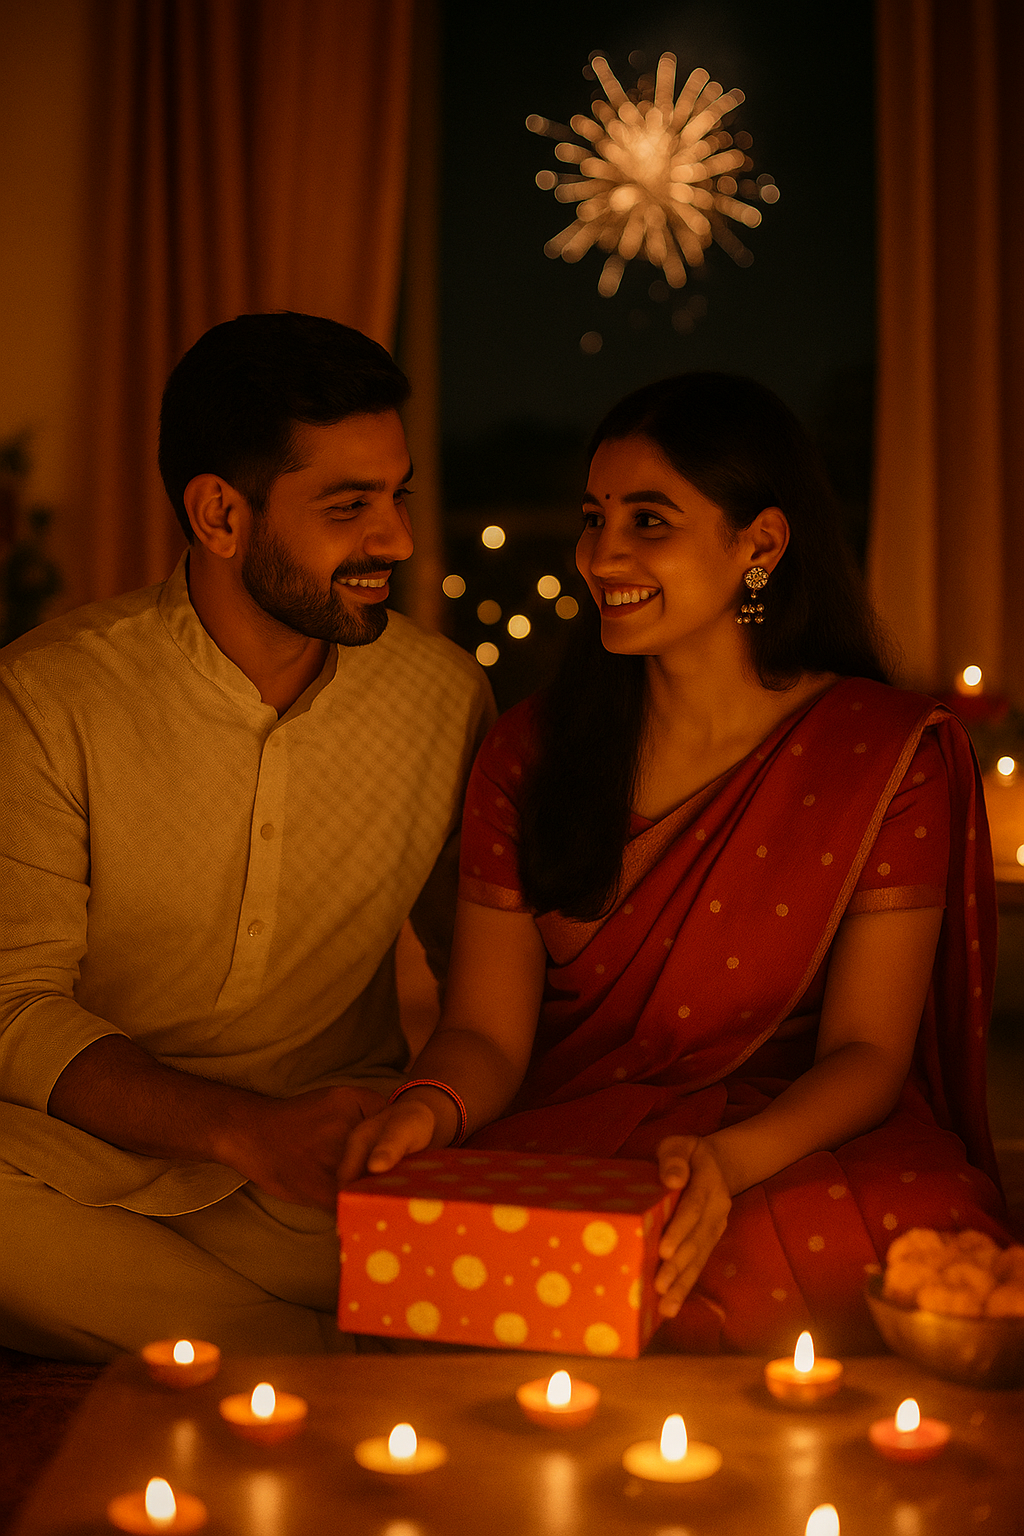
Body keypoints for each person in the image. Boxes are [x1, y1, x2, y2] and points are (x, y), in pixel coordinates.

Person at [340, 372, 1009, 1354]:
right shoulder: (531, 752)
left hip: (789, 1131)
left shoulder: (881, 753)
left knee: (921, 1236)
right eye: (592, 516)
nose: (601, 554)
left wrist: (723, 1164)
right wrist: (427, 1110)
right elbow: (483, 1031)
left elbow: (868, 1056)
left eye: (648, 520)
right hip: (577, 1128)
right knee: (463, 1242)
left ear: (760, 546)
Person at [0, 312, 493, 1361]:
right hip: (84, 1164)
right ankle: (333, 1363)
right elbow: (16, 1006)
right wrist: (239, 1131)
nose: (397, 541)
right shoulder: (50, 698)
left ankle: (230, 1339)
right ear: (220, 515)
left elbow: (482, 979)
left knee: (505, 1259)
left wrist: (417, 1129)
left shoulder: (442, 698)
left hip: (334, 1175)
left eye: (397, 496)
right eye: (349, 506)